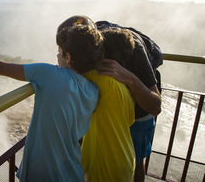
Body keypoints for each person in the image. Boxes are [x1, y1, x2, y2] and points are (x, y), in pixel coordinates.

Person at [0, 24, 104, 181]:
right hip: (73, 173)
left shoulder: (50, 74)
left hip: (42, 175)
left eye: (59, 53)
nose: (57, 57)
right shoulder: (94, 91)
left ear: (68, 57)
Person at [58, 16, 162, 182]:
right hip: (112, 106)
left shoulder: (132, 49)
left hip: (140, 111)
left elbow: (155, 106)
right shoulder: (84, 49)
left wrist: (130, 78)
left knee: (135, 161)